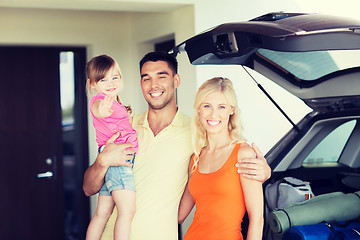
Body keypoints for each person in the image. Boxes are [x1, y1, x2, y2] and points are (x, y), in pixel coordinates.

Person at [83, 52, 270, 240]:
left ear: (176, 80)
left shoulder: (197, 135)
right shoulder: (125, 128)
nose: (153, 85)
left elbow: (226, 150)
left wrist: (264, 171)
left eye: (161, 77)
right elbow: (88, 189)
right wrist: (102, 161)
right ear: (141, 84)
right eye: (146, 78)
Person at [178, 77, 264, 240]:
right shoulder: (196, 157)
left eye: (221, 107)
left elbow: (257, 219)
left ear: (232, 110)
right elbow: (179, 215)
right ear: (199, 110)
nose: (213, 114)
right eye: (207, 106)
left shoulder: (243, 153)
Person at [85, 55, 138, 240]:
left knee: (102, 213)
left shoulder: (117, 103)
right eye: (103, 79)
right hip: (116, 157)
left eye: (115, 77)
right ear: (92, 84)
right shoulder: (101, 100)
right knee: (127, 210)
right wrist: (102, 111)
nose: (111, 83)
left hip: (111, 156)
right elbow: (98, 108)